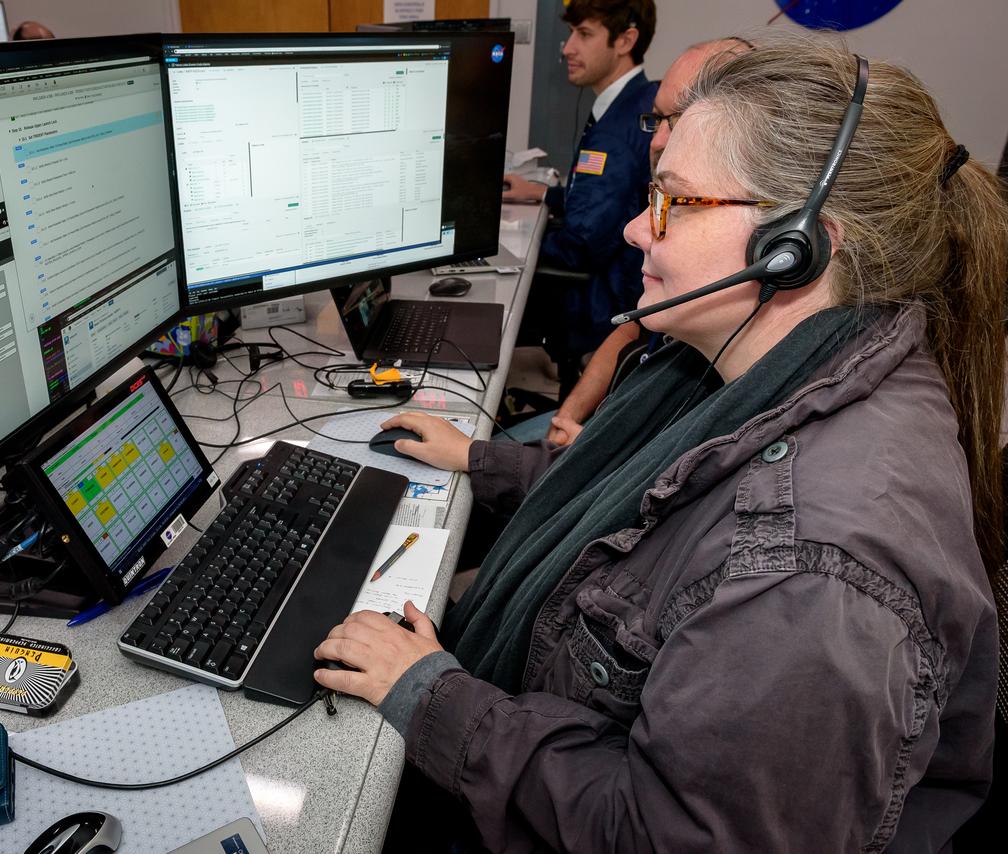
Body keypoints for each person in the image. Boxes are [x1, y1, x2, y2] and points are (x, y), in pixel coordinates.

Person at [316, 34, 1004, 851]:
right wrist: (478, 458)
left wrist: (433, 699)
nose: (639, 230)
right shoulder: (748, 369)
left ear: (799, 248)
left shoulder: (810, 578)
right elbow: (636, 517)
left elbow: (662, 834)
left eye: (676, 202)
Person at [513, 37, 754, 449]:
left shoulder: (727, 325)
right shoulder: (674, 305)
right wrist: (569, 415)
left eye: (677, 120)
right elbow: (631, 333)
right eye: (657, 120)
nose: (658, 140)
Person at [505, 0, 658, 395]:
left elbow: (582, 244)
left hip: (599, 303)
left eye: (584, 34)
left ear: (626, 40)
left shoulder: (615, 134)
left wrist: (510, 249)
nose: (567, 48)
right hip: (622, 284)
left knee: (491, 291)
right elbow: (613, 200)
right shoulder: (638, 104)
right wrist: (545, 194)